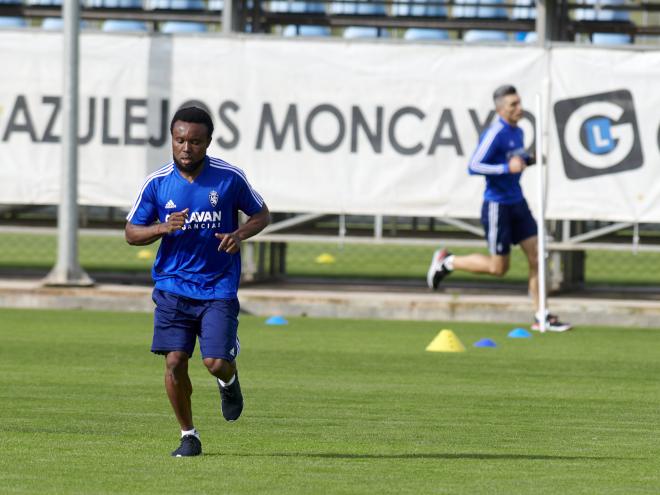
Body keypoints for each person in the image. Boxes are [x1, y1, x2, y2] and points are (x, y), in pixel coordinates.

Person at [125, 106, 270, 457]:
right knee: (174, 361)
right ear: (171, 140)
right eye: (179, 140)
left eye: (194, 141)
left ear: (207, 142)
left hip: (217, 286)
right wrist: (163, 227)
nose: (186, 147)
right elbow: (131, 233)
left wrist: (239, 234)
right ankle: (189, 435)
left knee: (214, 362)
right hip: (173, 287)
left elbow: (262, 214)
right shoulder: (157, 182)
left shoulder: (228, 178)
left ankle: (228, 378)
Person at [426, 85, 571, 332]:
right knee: (498, 268)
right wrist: (506, 169)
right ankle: (447, 262)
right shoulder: (495, 133)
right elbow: (474, 165)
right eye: (513, 104)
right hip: (497, 205)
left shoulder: (519, 132)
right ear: (501, 109)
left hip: (518, 202)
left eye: (519, 102)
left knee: (538, 256)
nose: (519, 108)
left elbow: (515, 160)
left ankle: (541, 314)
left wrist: (528, 160)